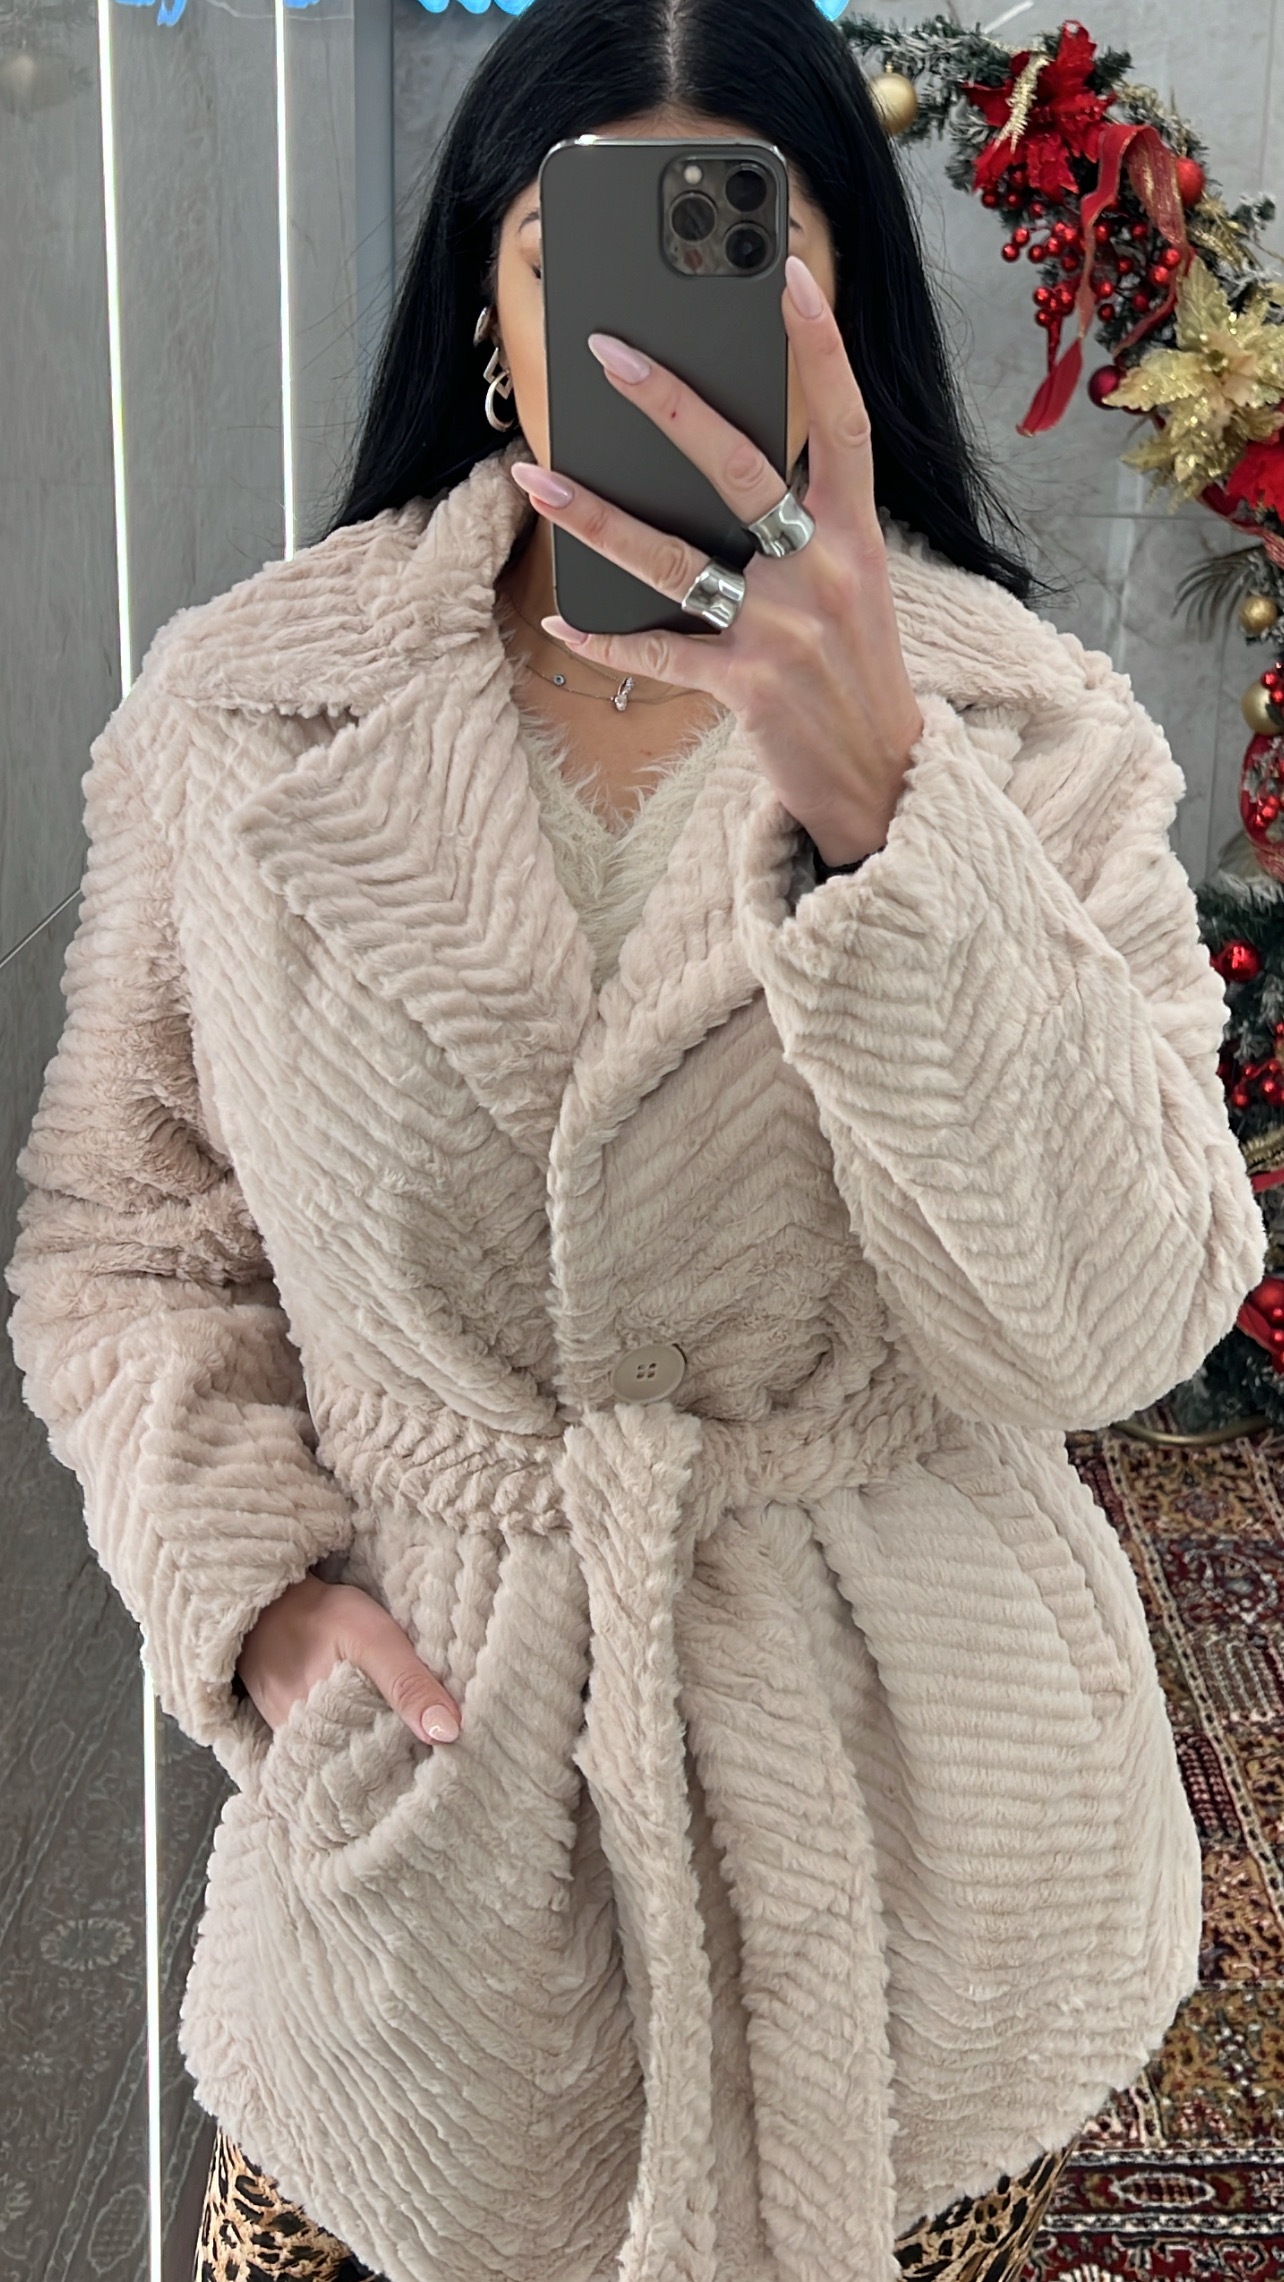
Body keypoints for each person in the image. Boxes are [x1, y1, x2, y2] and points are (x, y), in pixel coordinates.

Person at [6, 2, 1265, 2279]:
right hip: (439, 1863)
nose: (645, 323)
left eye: (736, 248)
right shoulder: (247, 714)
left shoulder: (1020, 731)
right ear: (486, 315)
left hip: (930, 1877)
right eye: (563, 248)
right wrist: (257, 1603)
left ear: (839, 312)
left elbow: (1124, 1320)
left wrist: (897, 825)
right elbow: (128, 1233)